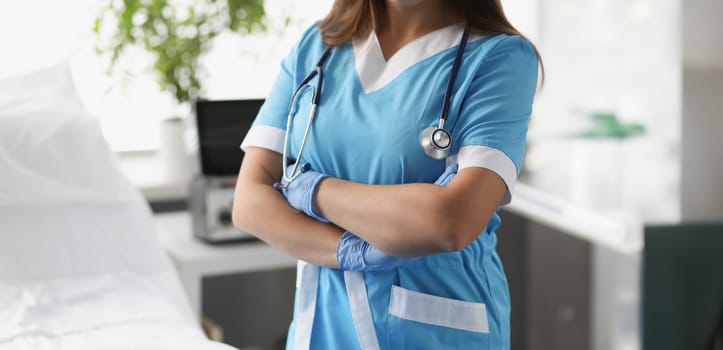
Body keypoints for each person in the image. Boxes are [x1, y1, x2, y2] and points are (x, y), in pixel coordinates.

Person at [232, 0, 541, 348]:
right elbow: (249, 203)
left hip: (433, 332)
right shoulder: (317, 47)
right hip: (322, 329)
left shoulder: (500, 59)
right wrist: (349, 250)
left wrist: (309, 189)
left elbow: (451, 220)